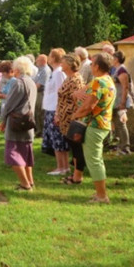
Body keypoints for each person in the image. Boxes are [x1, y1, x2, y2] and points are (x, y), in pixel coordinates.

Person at [72, 53, 116, 203]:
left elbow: (89, 106)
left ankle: (102, 196)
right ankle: (99, 193)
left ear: (97, 66)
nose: (90, 66)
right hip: (103, 124)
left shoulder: (98, 81)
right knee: (97, 160)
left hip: (95, 125)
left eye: (92, 64)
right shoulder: (108, 80)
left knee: (94, 161)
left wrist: (75, 115)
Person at [0, 57, 37, 191]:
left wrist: (3, 120)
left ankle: (25, 184)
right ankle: (30, 182)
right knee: (26, 153)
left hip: (16, 122)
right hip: (28, 121)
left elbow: (9, 104)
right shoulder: (31, 82)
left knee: (13, 153)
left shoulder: (18, 83)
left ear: (17, 69)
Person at [56, 53, 86, 185]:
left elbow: (80, 101)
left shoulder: (76, 80)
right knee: (73, 147)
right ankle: (75, 174)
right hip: (65, 118)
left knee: (76, 148)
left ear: (69, 64)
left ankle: (78, 177)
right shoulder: (69, 78)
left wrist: (76, 117)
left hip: (73, 119)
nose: (61, 64)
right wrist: (58, 114)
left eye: (62, 62)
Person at [42, 48, 70, 174]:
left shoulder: (59, 73)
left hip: (55, 109)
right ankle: (62, 166)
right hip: (50, 107)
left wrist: (58, 112)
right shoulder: (54, 72)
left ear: (53, 58)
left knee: (58, 139)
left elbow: (61, 92)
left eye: (50, 55)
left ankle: (62, 167)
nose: (48, 57)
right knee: (55, 139)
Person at [111, 50, 134, 155]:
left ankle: (125, 147)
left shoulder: (122, 70)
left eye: (113, 58)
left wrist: (123, 103)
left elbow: (125, 87)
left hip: (120, 101)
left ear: (116, 59)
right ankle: (121, 146)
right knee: (118, 124)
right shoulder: (117, 69)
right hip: (116, 101)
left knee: (121, 124)